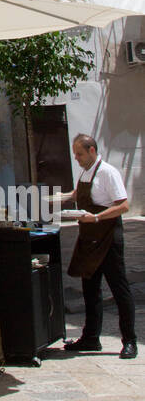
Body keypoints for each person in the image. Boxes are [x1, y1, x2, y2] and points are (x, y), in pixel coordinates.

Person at [59, 134, 137, 359]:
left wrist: (95, 218)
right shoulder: (85, 171)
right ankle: (91, 338)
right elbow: (79, 194)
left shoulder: (108, 172)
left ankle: (130, 341)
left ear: (92, 151)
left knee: (119, 289)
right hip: (89, 240)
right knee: (90, 290)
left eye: (79, 154)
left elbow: (123, 205)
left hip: (108, 238)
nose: (76, 158)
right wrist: (59, 198)